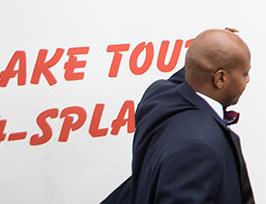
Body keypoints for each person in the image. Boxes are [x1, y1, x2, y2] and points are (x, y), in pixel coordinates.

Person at [102, 29, 253, 204]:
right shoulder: (200, 149)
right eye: (244, 73)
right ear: (220, 79)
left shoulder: (158, 96)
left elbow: (192, 72)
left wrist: (219, 50)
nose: (248, 80)